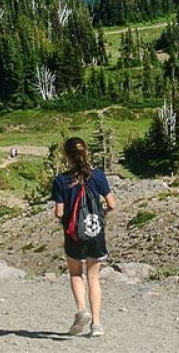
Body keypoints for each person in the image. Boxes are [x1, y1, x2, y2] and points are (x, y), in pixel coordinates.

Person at [51, 137, 116, 338]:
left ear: (66, 156)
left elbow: (59, 213)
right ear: (86, 152)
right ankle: (96, 325)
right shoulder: (97, 176)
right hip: (95, 233)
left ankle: (82, 310)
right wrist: (101, 215)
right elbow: (112, 203)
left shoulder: (61, 180)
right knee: (94, 277)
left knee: (76, 274)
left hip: (74, 235)